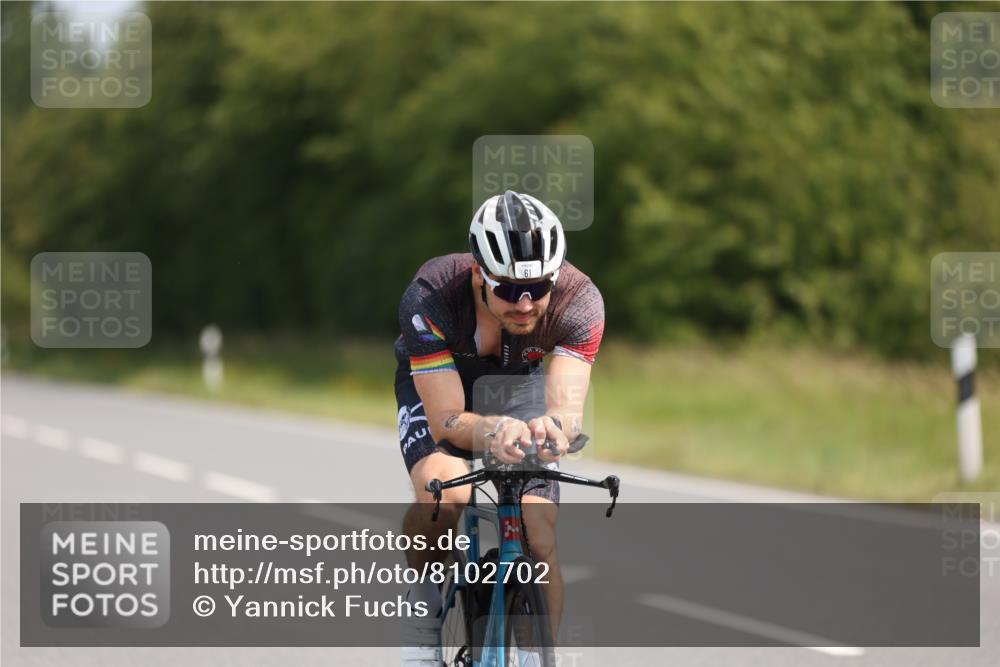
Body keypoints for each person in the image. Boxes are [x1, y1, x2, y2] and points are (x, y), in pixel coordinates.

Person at [395, 190, 604, 665]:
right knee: (445, 494)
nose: (525, 304)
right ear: (477, 273)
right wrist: (491, 432)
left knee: (539, 534)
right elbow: (447, 419)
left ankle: (534, 658)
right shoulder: (430, 295)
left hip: (518, 384)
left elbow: (566, 409)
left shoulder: (580, 301)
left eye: (539, 287)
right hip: (441, 382)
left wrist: (554, 429)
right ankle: (423, 610)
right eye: (508, 290)